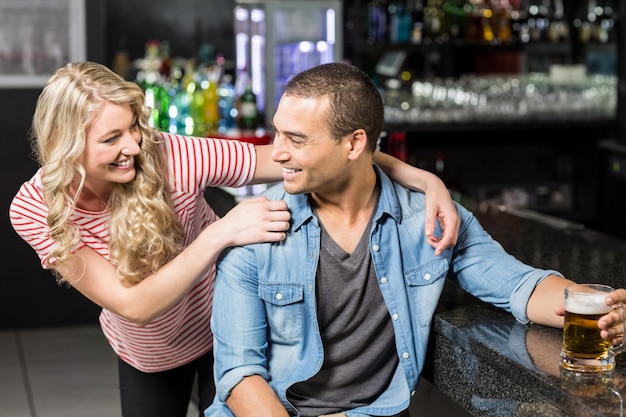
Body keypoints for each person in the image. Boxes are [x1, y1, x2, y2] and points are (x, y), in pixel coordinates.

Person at [8, 61, 461, 417]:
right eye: (112, 138)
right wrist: (220, 233)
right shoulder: (36, 209)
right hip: (145, 348)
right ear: (68, 145)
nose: (133, 145)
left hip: (224, 331)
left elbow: (312, 154)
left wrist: (421, 179)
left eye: (133, 127)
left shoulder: (172, 154)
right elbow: (134, 305)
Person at [206, 62, 626, 417]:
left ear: (354, 144)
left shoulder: (428, 219)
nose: (276, 153)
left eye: (295, 139)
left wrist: (596, 306)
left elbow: (518, 284)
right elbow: (239, 374)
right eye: (277, 133)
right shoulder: (255, 230)